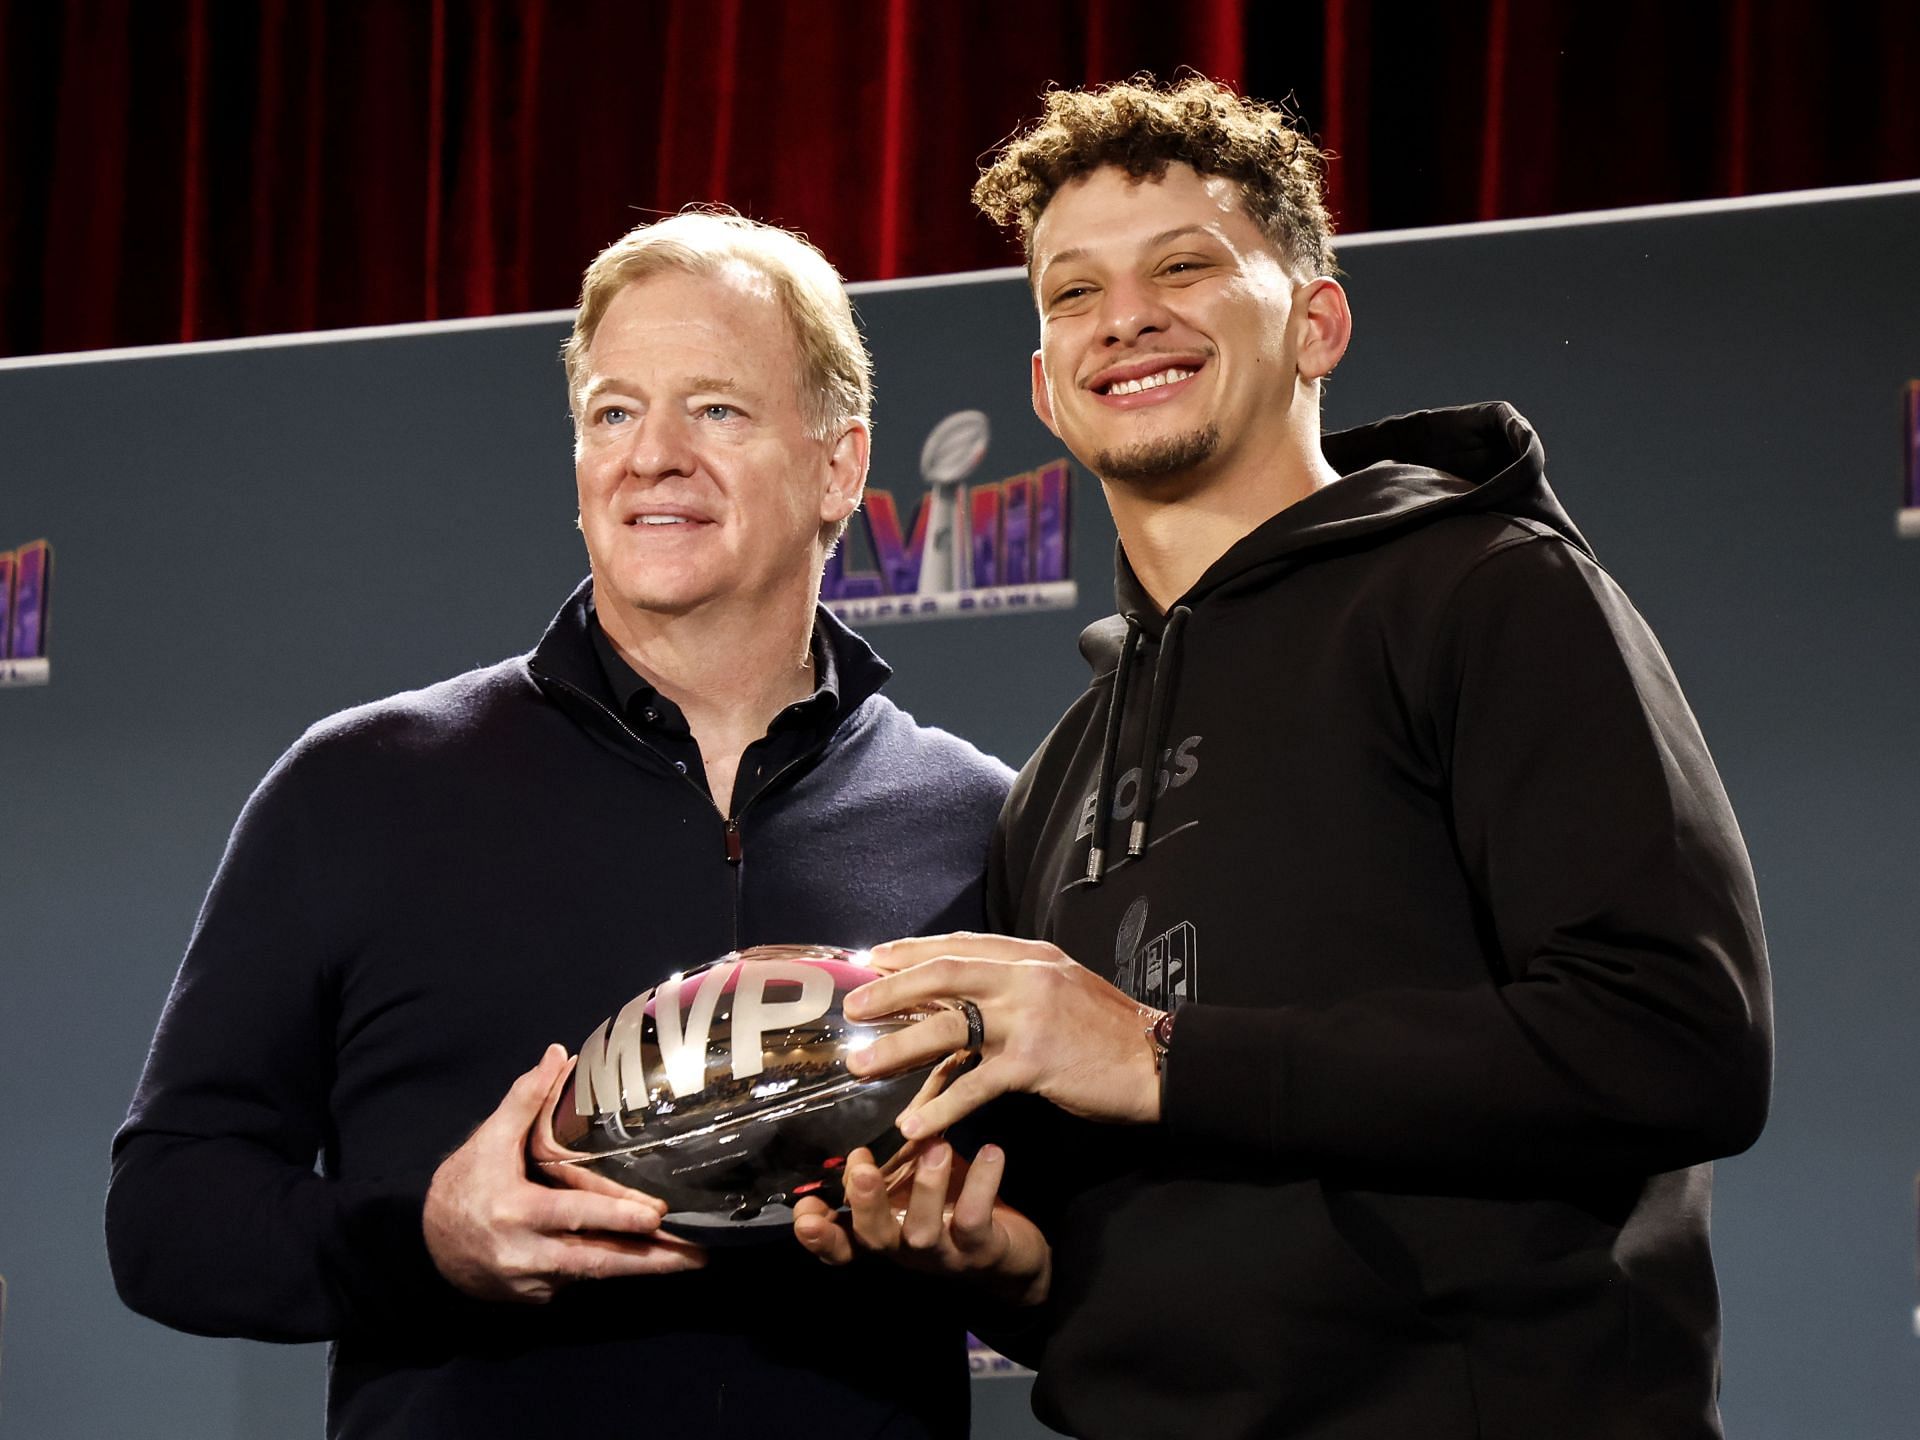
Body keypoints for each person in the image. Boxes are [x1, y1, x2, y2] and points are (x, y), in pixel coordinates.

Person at [804, 76, 1773, 1439]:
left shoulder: (1487, 592)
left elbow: (1677, 1044)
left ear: (1316, 320)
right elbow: (1145, 1256)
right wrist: (1002, 1267)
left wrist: (1158, 1053)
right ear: (1042, 386)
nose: (1124, 317)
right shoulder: (1062, 777)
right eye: (1073, 294)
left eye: (1185, 267)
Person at [106, 211, 1012, 1440]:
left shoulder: (979, 818)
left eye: (719, 410)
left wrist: (990, 1261)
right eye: (614, 412)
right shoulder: (364, 787)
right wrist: (426, 1241)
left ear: (841, 465)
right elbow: (165, 1216)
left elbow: (1084, 1255)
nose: (654, 457)